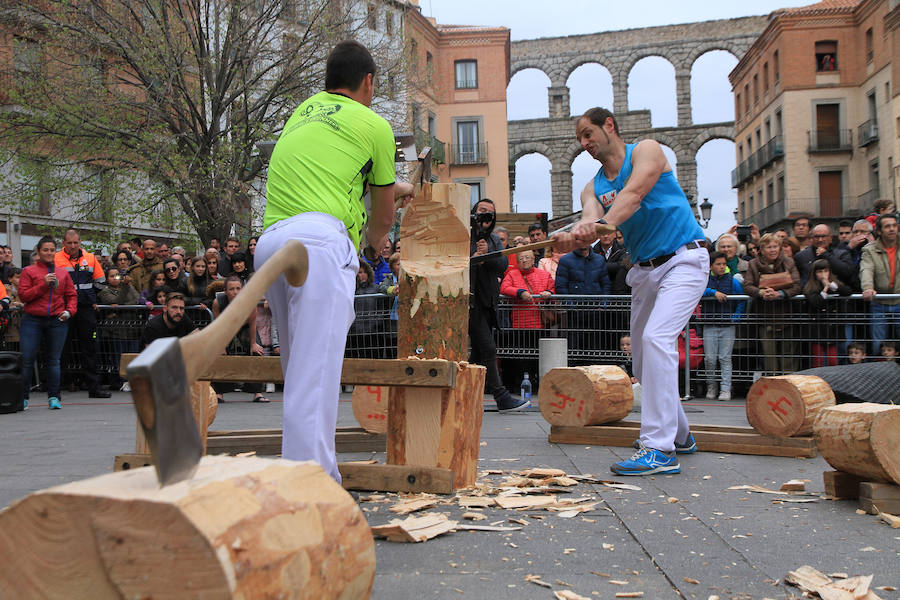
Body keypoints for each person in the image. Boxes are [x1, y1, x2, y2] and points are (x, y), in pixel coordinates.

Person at [254, 40, 415, 482]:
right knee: (316, 377)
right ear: (369, 82)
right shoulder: (375, 124)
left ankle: (309, 477)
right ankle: (311, 488)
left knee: (300, 375)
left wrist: (392, 190)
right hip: (319, 246)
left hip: (273, 241)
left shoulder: (302, 112)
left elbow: (335, 183)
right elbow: (383, 218)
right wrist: (373, 246)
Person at [556, 107, 709, 476]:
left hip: (683, 260)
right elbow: (590, 218)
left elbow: (635, 194)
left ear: (609, 125)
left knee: (657, 340)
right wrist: (572, 236)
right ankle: (681, 435)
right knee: (641, 358)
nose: (584, 143)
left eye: (588, 133)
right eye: (579, 139)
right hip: (643, 271)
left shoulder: (646, 151)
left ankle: (659, 448)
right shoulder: (592, 186)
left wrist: (602, 224)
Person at [469, 198, 528, 412]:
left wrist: (488, 255)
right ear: (474, 212)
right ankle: (501, 396)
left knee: (477, 354)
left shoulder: (493, 239)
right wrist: (474, 258)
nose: (485, 215)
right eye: (482, 210)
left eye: (490, 213)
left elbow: (502, 264)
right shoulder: (463, 235)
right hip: (470, 303)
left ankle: (465, 396)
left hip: (488, 304)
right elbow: (455, 264)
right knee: (488, 348)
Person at [19, 236, 77, 410]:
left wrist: (69, 311)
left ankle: (54, 397)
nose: (49, 253)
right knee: (27, 359)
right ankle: (23, 397)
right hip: (32, 319)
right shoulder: (28, 271)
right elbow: (24, 296)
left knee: (54, 360)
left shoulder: (63, 273)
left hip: (57, 320)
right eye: (45, 250)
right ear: (38, 251)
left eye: (52, 250)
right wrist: (43, 285)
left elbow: (71, 295)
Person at [55, 229, 110, 398]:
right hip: (64, 308)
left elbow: (101, 282)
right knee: (61, 348)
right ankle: (56, 389)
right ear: (63, 243)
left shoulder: (90, 258)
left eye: (75, 243)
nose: (73, 246)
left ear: (80, 242)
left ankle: (94, 388)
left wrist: (89, 296)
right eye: (69, 243)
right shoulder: (56, 259)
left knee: (90, 349)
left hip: (85, 309)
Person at [743, 233, 802, 375]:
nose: (772, 250)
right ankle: (773, 385)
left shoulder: (788, 262)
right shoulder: (753, 264)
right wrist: (761, 293)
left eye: (775, 246)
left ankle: (790, 383)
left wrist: (780, 294)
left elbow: (797, 285)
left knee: (789, 356)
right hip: (765, 317)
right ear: (762, 249)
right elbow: (747, 286)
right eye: (768, 247)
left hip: (786, 315)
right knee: (769, 357)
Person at [500, 249, 554, 386]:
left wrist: (548, 293)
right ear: (517, 262)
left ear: (533, 259)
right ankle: (521, 382)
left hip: (540, 323)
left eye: (527, 257)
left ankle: (535, 382)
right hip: (520, 323)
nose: (524, 260)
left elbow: (552, 289)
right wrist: (519, 292)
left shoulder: (544, 274)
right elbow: (504, 288)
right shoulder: (512, 274)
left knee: (538, 355)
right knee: (521, 355)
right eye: (521, 258)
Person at [211, 276, 267, 403]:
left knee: (257, 351)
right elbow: (218, 326)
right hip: (225, 328)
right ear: (225, 291)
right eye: (231, 289)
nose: (235, 292)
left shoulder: (250, 302)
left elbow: (253, 323)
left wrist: (253, 343)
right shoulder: (217, 302)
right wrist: (221, 346)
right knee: (218, 354)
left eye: (238, 288)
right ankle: (219, 392)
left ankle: (257, 392)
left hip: (246, 327)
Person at [702, 251, 746, 401]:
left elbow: (742, 299)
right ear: (710, 266)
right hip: (709, 323)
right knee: (709, 358)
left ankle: (725, 388)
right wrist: (713, 292)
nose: (722, 267)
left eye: (724, 264)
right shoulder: (705, 280)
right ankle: (711, 386)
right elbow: (697, 290)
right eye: (718, 264)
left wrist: (736, 317)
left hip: (727, 324)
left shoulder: (732, 281)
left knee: (725, 358)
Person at [860, 214, 900, 355]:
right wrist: (868, 288)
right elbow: (866, 269)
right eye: (887, 226)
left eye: (894, 225)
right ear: (879, 231)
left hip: (899, 300)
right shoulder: (869, 250)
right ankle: (879, 367)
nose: (892, 229)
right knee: (878, 344)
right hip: (879, 303)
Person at [97, 267, 141, 390]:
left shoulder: (128, 287)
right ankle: (122, 381)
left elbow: (137, 300)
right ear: (107, 279)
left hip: (132, 328)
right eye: (112, 276)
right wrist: (123, 303)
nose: (115, 278)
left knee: (132, 355)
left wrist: (121, 307)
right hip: (116, 331)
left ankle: (132, 380)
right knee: (118, 358)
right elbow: (117, 300)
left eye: (117, 275)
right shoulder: (105, 292)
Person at [802, 258, 851, 368]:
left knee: (832, 360)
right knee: (818, 359)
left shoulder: (835, 284)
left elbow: (848, 291)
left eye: (826, 271)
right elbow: (816, 302)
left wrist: (832, 286)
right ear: (814, 273)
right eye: (820, 272)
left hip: (832, 327)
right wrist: (825, 289)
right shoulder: (809, 287)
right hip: (816, 328)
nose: (823, 275)